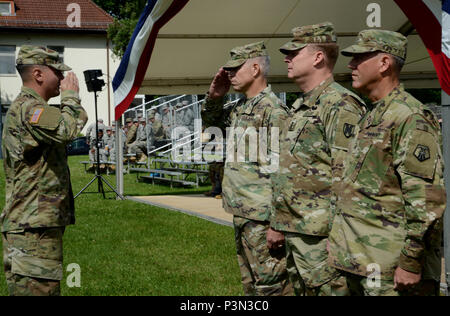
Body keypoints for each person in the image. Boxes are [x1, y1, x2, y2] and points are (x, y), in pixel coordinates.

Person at [327, 30, 446, 296]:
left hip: (391, 269)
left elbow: (426, 199)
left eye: (360, 57)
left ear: (384, 64)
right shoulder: (374, 114)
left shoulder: (409, 116)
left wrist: (411, 261)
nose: (350, 65)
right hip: (360, 261)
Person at [271, 22, 366, 296]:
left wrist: (341, 237)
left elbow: (349, 177)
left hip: (323, 237)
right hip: (299, 232)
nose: (287, 58)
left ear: (318, 57)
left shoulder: (340, 104)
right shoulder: (303, 105)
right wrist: (279, 224)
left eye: (294, 52)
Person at [202, 41, 293, 296]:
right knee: (251, 287)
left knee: (272, 287)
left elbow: (283, 171)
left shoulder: (273, 111)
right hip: (243, 212)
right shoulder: (242, 107)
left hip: (264, 219)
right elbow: (211, 128)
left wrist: (278, 223)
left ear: (255, 69)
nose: (229, 74)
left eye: (235, 68)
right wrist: (214, 97)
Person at [1, 45, 88, 296]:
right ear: (38, 74)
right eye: (57, 72)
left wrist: (70, 106)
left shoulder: (32, 108)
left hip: (32, 227)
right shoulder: (31, 109)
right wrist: (71, 96)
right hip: (32, 230)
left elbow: (71, 121)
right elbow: (68, 129)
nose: (62, 78)